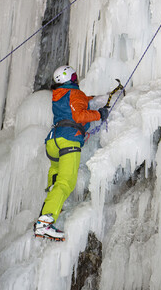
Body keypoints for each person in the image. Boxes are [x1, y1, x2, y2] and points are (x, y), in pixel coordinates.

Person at [34, 65, 109, 241]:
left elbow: (78, 104)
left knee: (56, 179)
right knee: (66, 181)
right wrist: (99, 114)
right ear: (70, 78)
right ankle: (44, 222)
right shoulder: (74, 94)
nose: (76, 78)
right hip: (68, 140)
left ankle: (50, 208)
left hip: (53, 142)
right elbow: (79, 115)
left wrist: (95, 99)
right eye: (74, 75)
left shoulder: (59, 95)